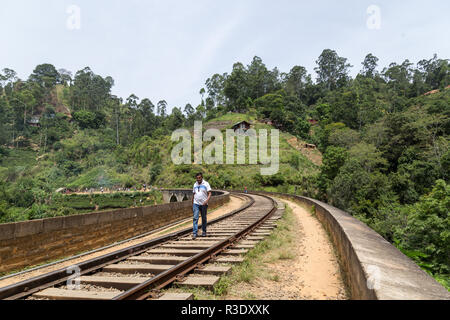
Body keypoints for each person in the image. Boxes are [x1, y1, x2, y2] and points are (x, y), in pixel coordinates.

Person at [192, 172, 212, 240]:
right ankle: (195, 233)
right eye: (197, 178)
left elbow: (209, 193)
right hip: (196, 204)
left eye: (199, 178)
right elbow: (194, 194)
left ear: (202, 177)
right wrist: (192, 203)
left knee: (204, 218)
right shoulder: (195, 184)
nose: (198, 179)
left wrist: (206, 201)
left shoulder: (206, 184)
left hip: (204, 204)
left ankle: (204, 231)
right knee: (195, 218)